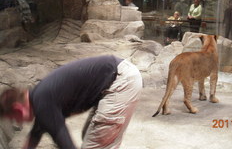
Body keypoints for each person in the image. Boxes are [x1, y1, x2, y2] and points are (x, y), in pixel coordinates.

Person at [0, 55, 142, 149]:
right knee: (90, 136)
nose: (18, 122)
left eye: (14, 118)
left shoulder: (42, 103)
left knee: (94, 145)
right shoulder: (39, 96)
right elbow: (36, 132)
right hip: (118, 76)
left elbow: (66, 145)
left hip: (120, 81)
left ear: (18, 109)